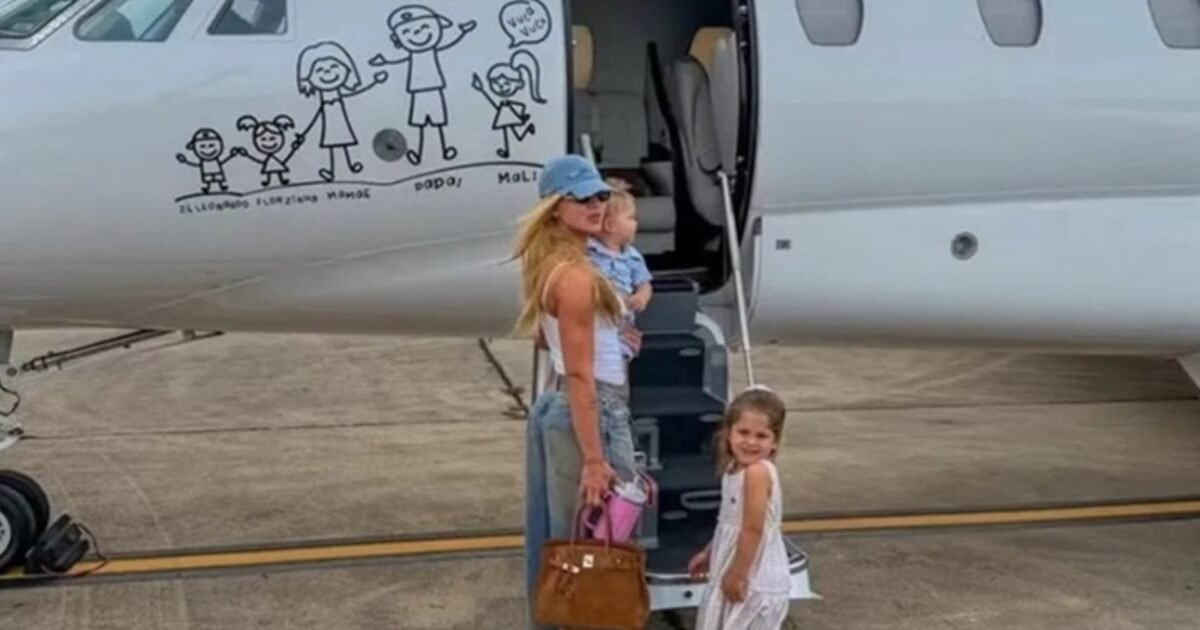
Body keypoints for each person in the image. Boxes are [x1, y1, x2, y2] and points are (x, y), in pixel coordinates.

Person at [515, 154, 642, 629]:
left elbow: (543, 339)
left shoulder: (551, 266)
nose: (596, 205)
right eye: (581, 198)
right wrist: (593, 458)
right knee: (598, 548)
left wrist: (609, 334)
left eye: (600, 195)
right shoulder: (577, 277)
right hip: (592, 411)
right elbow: (583, 377)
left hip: (560, 405)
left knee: (560, 541)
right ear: (554, 209)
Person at [688, 386, 792, 630]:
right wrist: (709, 551)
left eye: (761, 436)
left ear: (774, 443)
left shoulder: (757, 473)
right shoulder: (734, 469)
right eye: (743, 432)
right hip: (734, 564)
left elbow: (753, 529)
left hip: (754, 575)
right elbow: (730, 520)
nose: (751, 442)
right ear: (729, 433)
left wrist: (738, 574)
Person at [586, 177, 653, 364]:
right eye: (630, 218)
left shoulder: (632, 257)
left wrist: (641, 297)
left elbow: (645, 284)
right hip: (594, 323)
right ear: (609, 225)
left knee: (618, 359)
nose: (636, 223)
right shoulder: (588, 251)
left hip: (621, 327)